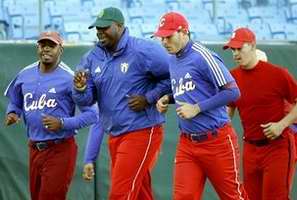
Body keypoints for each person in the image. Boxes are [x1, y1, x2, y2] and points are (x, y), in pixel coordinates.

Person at [72, 7, 171, 200]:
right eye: (97, 28)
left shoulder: (144, 49)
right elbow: (87, 100)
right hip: (115, 134)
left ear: (119, 26)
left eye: (104, 27)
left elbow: (174, 76)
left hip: (143, 130)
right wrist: (81, 89)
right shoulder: (92, 58)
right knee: (140, 191)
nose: (99, 31)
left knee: (120, 193)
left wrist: (149, 98)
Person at [154, 12, 248, 200]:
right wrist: (167, 98)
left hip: (217, 140)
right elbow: (189, 91)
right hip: (187, 143)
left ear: (183, 32)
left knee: (233, 196)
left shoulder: (202, 55)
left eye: (168, 36)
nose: (164, 42)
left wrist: (197, 108)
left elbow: (233, 92)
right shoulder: (172, 59)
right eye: (161, 37)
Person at [4, 31, 98, 200]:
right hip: (34, 148)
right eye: (42, 45)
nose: (46, 49)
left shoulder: (69, 78)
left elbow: (92, 115)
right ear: (37, 47)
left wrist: (62, 123)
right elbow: (16, 100)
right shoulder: (26, 73)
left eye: (51, 45)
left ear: (60, 49)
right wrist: (12, 112)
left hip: (59, 149)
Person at [224, 27, 297, 200]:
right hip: (250, 149)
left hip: (277, 147)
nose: (235, 53)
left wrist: (281, 125)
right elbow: (228, 111)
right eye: (232, 49)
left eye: (239, 48)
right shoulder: (231, 78)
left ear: (252, 45)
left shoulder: (277, 74)